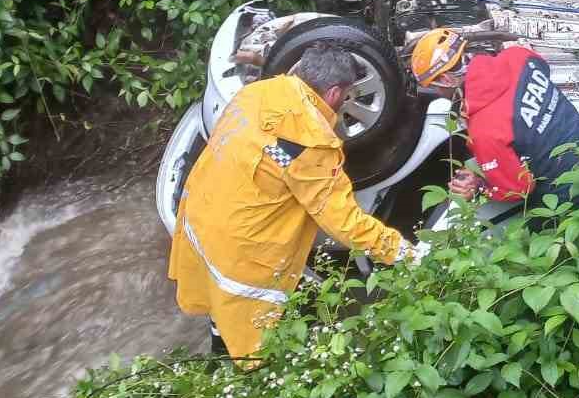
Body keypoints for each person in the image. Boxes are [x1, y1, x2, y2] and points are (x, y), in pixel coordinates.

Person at [168, 46, 415, 360]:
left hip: (202, 215)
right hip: (243, 250)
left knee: (222, 309)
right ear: (335, 92)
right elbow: (345, 222)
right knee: (253, 338)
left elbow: (268, 153)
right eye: (348, 94)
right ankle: (247, 384)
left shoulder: (258, 92)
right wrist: (404, 252)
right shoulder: (310, 142)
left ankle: (217, 358)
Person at [409, 28, 579, 215]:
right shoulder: (519, 57)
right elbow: (542, 67)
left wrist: (478, 186)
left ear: (446, 79)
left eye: (435, 87)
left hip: (571, 190)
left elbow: (518, 189)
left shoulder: (485, 131)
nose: (438, 93)